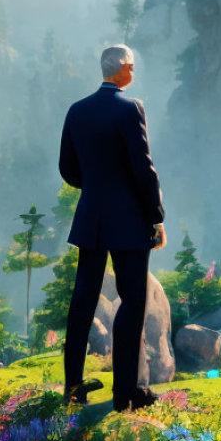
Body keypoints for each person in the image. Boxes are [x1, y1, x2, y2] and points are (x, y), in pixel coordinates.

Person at [59, 44, 166, 411]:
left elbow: (67, 169)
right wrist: (156, 217)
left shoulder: (77, 110)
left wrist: (96, 188)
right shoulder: (130, 108)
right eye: (131, 67)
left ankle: (73, 388)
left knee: (82, 301)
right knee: (132, 301)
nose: (133, 73)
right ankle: (127, 393)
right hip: (129, 220)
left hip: (91, 217)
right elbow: (143, 169)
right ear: (121, 68)